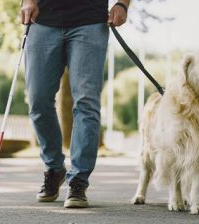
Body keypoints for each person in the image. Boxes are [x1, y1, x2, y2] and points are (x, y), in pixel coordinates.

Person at [20, 0, 130, 208]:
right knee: (38, 99)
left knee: (87, 102)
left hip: (90, 22)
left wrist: (122, 4)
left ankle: (79, 180)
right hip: (43, 20)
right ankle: (54, 168)